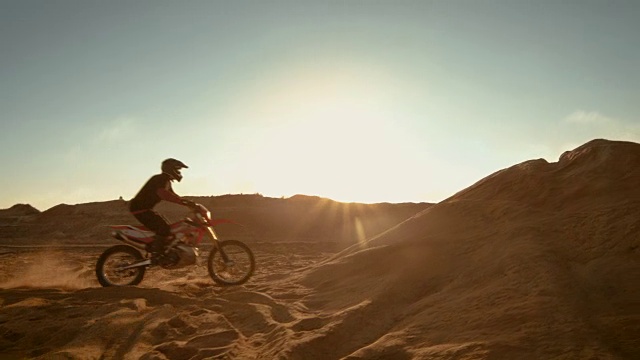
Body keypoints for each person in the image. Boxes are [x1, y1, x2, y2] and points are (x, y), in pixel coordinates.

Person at [129, 158, 196, 256]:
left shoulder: (165, 180)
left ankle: (164, 250)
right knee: (163, 229)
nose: (178, 172)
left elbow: (173, 195)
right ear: (171, 169)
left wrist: (188, 203)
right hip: (140, 209)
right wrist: (184, 202)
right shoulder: (161, 179)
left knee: (170, 229)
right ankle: (156, 254)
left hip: (145, 209)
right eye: (177, 170)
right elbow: (163, 194)